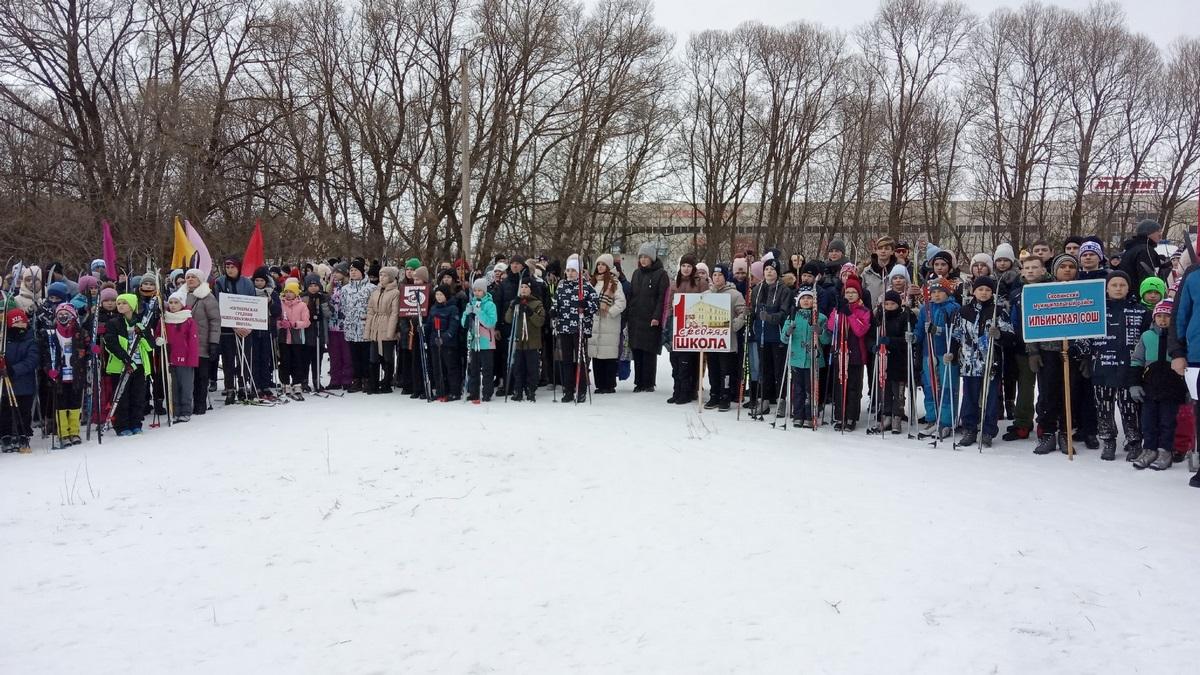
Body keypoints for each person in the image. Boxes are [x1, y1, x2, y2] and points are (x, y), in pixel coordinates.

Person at [1030, 254, 1091, 455]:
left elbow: (1089, 324)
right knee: (1048, 394)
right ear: (1054, 270)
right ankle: (1048, 432)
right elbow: (1032, 321)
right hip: (1048, 351)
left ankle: (1066, 433)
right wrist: (1033, 351)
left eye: (1070, 267)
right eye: (1062, 266)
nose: (1067, 270)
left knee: (1070, 393)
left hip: (1071, 354)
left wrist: (1084, 353)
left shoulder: (1084, 293)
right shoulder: (1042, 291)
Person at [1090, 270, 1148, 461]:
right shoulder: (1095, 310)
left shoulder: (1140, 311)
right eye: (1114, 285)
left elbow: (1147, 339)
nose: (1118, 288)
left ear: (1128, 287)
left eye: (1122, 285)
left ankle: (1134, 441)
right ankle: (1108, 441)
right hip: (1102, 366)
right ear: (1107, 288)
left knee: (1129, 407)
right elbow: (1085, 336)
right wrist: (1082, 355)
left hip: (1129, 367)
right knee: (1103, 406)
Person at [949, 276, 1013, 447]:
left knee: (990, 398)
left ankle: (988, 430)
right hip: (969, 363)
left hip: (991, 363)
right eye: (980, 289)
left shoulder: (998, 311)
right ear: (974, 291)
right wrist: (952, 353)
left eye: (987, 290)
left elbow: (1010, 336)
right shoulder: (963, 312)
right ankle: (970, 428)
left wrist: (999, 334)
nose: (984, 293)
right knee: (969, 397)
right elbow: (955, 335)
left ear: (992, 292)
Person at [1131, 300, 1187, 470]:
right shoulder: (1147, 336)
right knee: (1148, 421)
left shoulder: (1179, 338)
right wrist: (1134, 383)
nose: (1163, 320)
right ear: (1154, 317)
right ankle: (1149, 449)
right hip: (1150, 388)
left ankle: (1165, 451)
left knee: (1167, 422)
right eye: (1159, 316)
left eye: (1167, 316)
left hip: (1172, 389)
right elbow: (1137, 360)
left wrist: (1187, 389)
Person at [915, 277, 961, 438]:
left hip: (946, 353)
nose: (936, 295)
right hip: (929, 352)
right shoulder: (925, 309)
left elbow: (958, 332)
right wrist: (914, 337)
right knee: (930, 386)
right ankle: (932, 418)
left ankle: (947, 421)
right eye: (932, 292)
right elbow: (920, 328)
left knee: (947, 386)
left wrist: (940, 330)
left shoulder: (953, 308)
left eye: (939, 292)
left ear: (947, 292)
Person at [103, 294, 152, 436]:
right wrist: (125, 359)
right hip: (121, 366)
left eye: (124, 303)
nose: (121, 306)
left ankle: (136, 424)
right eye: (119, 303)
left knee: (137, 396)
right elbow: (111, 343)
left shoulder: (141, 323)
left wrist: (142, 335)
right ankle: (122, 426)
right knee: (121, 397)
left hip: (139, 365)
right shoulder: (114, 323)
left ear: (132, 305)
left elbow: (150, 345)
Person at [552, 257, 600, 403]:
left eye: (573, 270)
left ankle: (581, 390)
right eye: (568, 270)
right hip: (565, 327)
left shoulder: (586, 287)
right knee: (566, 360)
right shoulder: (561, 286)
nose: (570, 273)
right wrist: (553, 311)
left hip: (580, 328)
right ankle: (568, 389)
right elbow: (556, 302)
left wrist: (585, 305)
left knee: (581, 360)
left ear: (579, 272)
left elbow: (595, 306)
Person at [827, 276, 871, 431]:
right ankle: (840, 416)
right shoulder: (839, 309)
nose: (850, 295)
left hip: (855, 353)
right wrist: (839, 312)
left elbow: (860, 330)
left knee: (853, 386)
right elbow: (831, 327)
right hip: (840, 352)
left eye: (853, 292)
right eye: (847, 292)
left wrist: (850, 314)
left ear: (859, 294)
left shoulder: (863, 310)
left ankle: (851, 416)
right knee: (840, 385)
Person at [749, 258, 793, 416]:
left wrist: (769, 317)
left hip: (778, 336)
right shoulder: (757, 289)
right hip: (762, 335)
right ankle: (764, 400)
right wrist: (750, 321)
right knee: (764, 369)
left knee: (779, 370)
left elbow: (784, 313)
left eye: (772, 270)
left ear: (777, 272)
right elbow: (753, 310)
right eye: (767, 269)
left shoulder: (784, 290)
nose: (769, 272)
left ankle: (781, 400)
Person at [782, 288, 830, 427]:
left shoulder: (820, 317)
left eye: (809, 298)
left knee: (811, 389)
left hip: (813, 360)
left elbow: (827, 340)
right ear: (798, 301)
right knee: (798, 389)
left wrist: (820, 332)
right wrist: (788, 332)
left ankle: (810, 415)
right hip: (796, 359)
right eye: (803, 298)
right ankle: (798, 414)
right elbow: (783, 338)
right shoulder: (792, 316)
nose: (806, 301)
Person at [702, 263, 747, 412]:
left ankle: (725, 396)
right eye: (714, 275)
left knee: (725, 370)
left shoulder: (734, 295)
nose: (716, 278)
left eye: (720, 275)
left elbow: (743, 313)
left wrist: (733, 325)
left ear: (725, 276)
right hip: (711, 340)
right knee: (713, 369)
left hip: (728, 341)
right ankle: (714, 394)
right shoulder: (707, 294)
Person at [44, 303, 89, 446]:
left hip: (77, 375)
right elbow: (45, 354)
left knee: (75, 403)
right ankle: (63, 433)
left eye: (67, 315)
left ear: (73, 316)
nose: (63, 318)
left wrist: (93, 349)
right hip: (59, 376)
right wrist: (48, 369)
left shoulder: (81, 333)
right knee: (61, 405)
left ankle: (74, 431)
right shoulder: (50, 334)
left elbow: (87, 349)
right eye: (60, 315)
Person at [627, 243, 669, 393]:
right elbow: (632, 295)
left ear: (652, 258)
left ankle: (649, 382)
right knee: (637, 351)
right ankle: (639, 382)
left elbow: (661, 298)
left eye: (646, 257)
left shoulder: (660, 274)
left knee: (648, 352)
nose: (643, 260)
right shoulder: (636, 273)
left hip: (651, 319)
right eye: (641, 257)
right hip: (636, 319)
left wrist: (657, 316)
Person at [871, 289, 914, 434]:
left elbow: (906, 340)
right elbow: (873, 334)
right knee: (885, 390)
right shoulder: (880, 318)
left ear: (898, 304)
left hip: (899, 360)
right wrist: (876, 345)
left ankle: (897, 417)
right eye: (886, 304)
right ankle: (886, 415)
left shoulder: (903, 317)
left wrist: (890, 341)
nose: (889, 306)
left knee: (898, 392)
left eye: (892, 304)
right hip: (884, 359)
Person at [668, 254, 708, 405]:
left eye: (689, 266)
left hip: (693, 328)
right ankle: (677, 390)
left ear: (693, 268)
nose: (686, 269)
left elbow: (705, 302)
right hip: (676, 327)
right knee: (675, 361)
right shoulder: (675, 283)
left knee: (687, 362)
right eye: (683, 266)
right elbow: (669, 304)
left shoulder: (700, 282)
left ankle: (687, 391)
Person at [215, 256, 255, 404]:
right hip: (228, 328)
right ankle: (230, 388)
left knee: (244, 359)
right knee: (228, 360)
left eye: (232, 267)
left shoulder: (247, 283)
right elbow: (220, 304)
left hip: (246, 327)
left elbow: (253, 305)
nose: (230, 270)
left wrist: (249, 325)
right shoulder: (220, 282)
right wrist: (234, 325)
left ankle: (244, 385)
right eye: (227, 267)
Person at [1, 308, 38, 453]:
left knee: (24, 411)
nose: (20, 325)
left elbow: (32, 359)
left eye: (22, 322)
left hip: (24, 382)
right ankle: (6, 436)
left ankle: (24, 435)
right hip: (5, 382)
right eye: (16, 323)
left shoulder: (30, 339)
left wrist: (13, 370)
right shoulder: (4, 341)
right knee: (6, 412)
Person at [589, 254, 626, 394]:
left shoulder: (614, 283)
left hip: (609, 324)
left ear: (609, 266)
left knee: (608, 356)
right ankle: (600, 384)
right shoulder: (592, 283)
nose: (600, 267)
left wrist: (610, 312)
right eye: (598, 264)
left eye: (603, 264)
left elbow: (621, 302)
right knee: (597, 356)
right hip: (595, 323)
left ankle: (609, 385)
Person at [184, 269, 219, 415]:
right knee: (186, 376)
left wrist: (213, 342)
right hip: (184, 343)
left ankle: (200, 403)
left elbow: (215, 320)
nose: (190, 279)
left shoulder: (207, 297)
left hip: (202, 342)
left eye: (194, 277)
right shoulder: (180, 295)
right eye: (188, 277)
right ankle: (185, 403)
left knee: (201, 375)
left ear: (200, 280)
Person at [505, 278, 546, 402]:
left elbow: (540, 321)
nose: (523, 289)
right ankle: (518, 390)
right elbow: (508, 319)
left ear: (531, 289)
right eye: (521, 287)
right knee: (518, 367)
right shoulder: (515, 302)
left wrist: (530, 313)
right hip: (518, 342)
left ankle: (531, 389)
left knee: (532, 368)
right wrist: (512, 307)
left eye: (526, 287)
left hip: (531, 342)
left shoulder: (537, 303)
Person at [341, 259, 376, 393]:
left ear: (362, 272)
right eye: (351, 270)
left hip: (365, 327)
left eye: (356, 270)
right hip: (351, 326)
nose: (353, 272)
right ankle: (357, 379)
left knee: (366, 354)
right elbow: (343, 306)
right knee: (354, 355)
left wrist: (366, 316)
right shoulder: (345, 289)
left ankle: (367, 379)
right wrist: (350, 317)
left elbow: (373, 307)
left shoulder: (371, 288)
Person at [364, 266, 400, 394]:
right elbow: (370, 311)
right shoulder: (375, 292)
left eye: (384, 275)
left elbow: (394, 313)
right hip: (375, 326)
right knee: (373, 357)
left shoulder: (395, 293)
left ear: (390, 277)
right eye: (380, 275)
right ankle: (373, 384)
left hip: (386, 326)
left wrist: (390, 332)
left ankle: (386, 382)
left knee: (387, 357)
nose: (382, 278)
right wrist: (368, 330)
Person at [163, 291, 198, 422]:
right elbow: (159, 334)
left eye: (176, 302)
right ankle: (175, 410)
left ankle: (185, 410)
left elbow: (193, 342)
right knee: (173, 386)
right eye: (171, 302)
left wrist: (192, 360)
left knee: (185, 386)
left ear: (182, 304)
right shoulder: (165, 319)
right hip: (170, 358)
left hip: (185, 359)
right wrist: (159, 339)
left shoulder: (188, 320)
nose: (172, 305)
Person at [463, 277, 498, 402]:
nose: (477, 293)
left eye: (479, 290)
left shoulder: (490, 304)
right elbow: (464, 323)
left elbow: (491, 322)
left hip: (486, 343)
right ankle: (474, 392)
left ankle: (487, 392)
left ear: (484, 291)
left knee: (487, 370)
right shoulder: (471, 303)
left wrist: (479, 313)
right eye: (475, 290)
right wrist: (467, 314)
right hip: (473, 343)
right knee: (473, 369)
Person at [277, 278, 312, 400]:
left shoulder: (302, 305)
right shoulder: (281, 303)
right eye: (286, 291)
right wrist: (280, 323)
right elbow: (276, 319)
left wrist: (294, 324)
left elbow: (306, 322)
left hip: (297, 339)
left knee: (297, 361)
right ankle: (285, 383)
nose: (288, 294)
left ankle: (297, 383)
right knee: (285, 361)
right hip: (284, 338)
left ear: (296, 293)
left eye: (291, 292)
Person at [426, 285, 462, 401]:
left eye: (441, 294)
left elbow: (453, 326)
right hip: (434, 342)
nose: (439, 297)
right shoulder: (433, 308)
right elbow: (430, 325)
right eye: (437, 294)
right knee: (437, 367)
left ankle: (454, 391)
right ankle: (441, 390)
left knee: (450, 367)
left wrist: (445, 337)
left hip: (447, 344)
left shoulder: (453, 308)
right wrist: (423, 328)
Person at [1118, 219, 1171, 290]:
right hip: (1143, 295)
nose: (1160, 235)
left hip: (1131, 294)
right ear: (1149, 233)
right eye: (1158, 231)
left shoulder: (1132, 248)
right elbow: (1148, 275)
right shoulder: (1145, 250)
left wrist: (1164, 265)